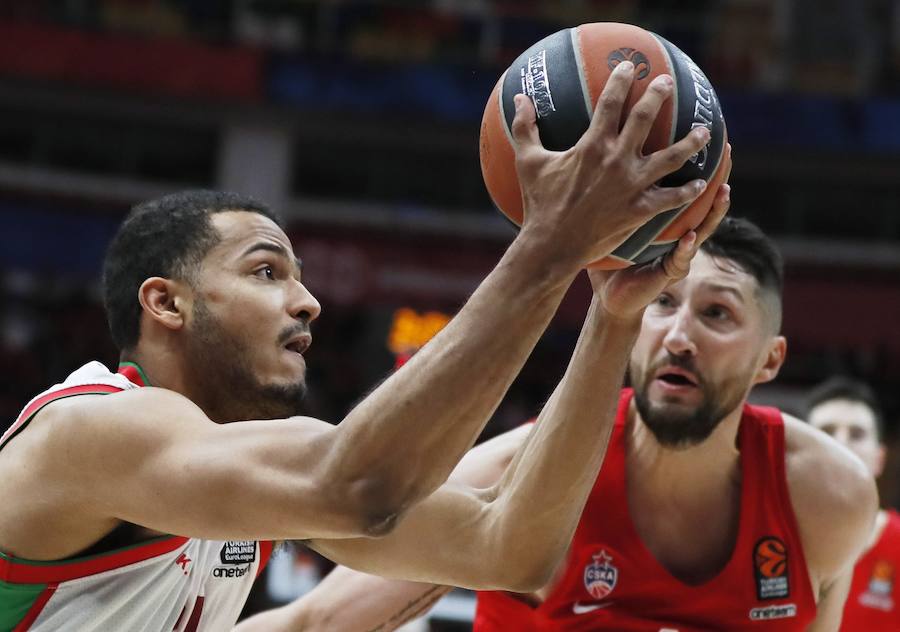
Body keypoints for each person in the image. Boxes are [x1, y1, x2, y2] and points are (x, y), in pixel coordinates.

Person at [0, 63, 724, 631]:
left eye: (298, 277)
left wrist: (611, 318)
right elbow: (357, 488)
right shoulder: (92, 430)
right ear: (165, 303)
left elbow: (509, 549)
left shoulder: (238, 474)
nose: (307, 301)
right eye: (265, 271)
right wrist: (550, 248)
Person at [237, 217, 878, 632]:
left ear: (771, 359)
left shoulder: (827, 499)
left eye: (717, 314)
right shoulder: (520, 475)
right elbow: (315, 621)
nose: (679, 335)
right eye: (662, 304)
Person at [806, 377, 900, 630]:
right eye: (826, 431)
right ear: (797, 455)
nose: (841, 443)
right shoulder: (766, 541)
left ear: (880, 458)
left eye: (857, 434)